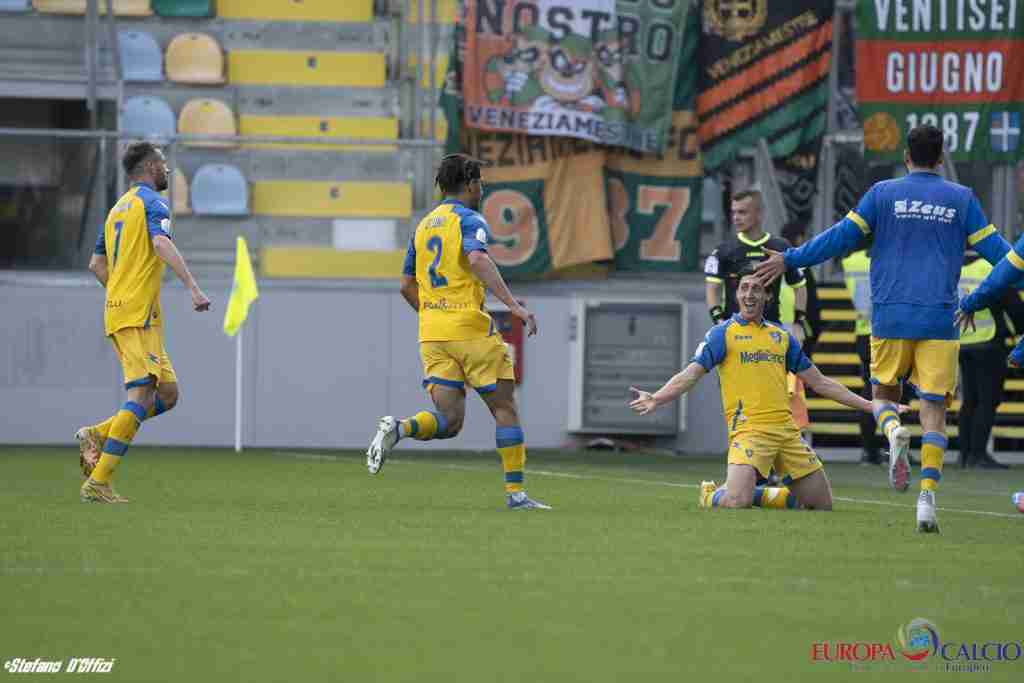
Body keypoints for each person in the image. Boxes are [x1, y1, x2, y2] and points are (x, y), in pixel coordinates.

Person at [755, 124, 1012, 533]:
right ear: (941, 157)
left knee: (884, 397)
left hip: (891, 316)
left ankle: (893, 431)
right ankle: (927, 499)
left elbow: (840, 238)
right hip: (940, 320)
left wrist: (792, 258)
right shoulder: (961, 199)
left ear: (905, 157)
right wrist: (983, 294)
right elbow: (1004, 257)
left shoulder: (882, 194)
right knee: (934, 413)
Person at [366, 153, 549, 510]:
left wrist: (436, 314)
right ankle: (516, 495)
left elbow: (405, 285)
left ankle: (399, 428)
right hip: (468, 328)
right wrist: (513, 305)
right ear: (470, 184)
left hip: (432, 334)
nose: (482, 188)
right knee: (505, 408)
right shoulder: (468, 219)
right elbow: (478, 258)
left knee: (450, 422)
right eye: (480, 182)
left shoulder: (423, 226)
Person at [629, 266, 883, 513]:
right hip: (749, 431)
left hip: (786, 431)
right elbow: (691, 374)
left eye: (757, 289)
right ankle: (711, 495)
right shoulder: (722, 334)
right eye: (744, 288)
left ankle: (761, 494)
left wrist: (871, 405)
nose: (749, 294)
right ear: (736, 294)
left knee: (821, 505)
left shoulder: (782, 337)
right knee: (737, 501)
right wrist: (657, 397)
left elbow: (821, 382)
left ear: (768, 296)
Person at [77, 141, 211, 503]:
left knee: (167, 395)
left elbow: (96, 265)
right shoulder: (152, 202)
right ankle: (98, 482)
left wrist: (119, 293)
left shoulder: (116, 210)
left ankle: (98, 433)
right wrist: (193, 287)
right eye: (163, 164)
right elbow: (161, 244)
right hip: (136, 313)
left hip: (130, 312)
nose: (167, 170)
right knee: (140, 395)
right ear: (150, 166)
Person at [704, 189, 809, 338]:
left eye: (742, 212)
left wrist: (798, 323)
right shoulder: (724, 250)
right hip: (734, 333)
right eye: (733, 212)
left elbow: (800, 287)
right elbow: (712, 288)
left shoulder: (781, 247)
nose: (736, 218)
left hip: (772, 332)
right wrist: (719, 321)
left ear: (759, 214)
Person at [957, 253, 1024, 469]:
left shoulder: (958, 268)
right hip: (990, 343)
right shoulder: (990, 267)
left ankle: (964, 455)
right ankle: (978, 455)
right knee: (987, 401)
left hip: (964, 342)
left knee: (969, 401)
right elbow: (1014, 306)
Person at [841, 243, 886, 465]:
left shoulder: (852, 261)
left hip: (862, 333)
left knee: (870, 391)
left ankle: (870, 450)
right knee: (890, 392)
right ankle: (887, 449)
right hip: (887, 333)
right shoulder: (890, 258)